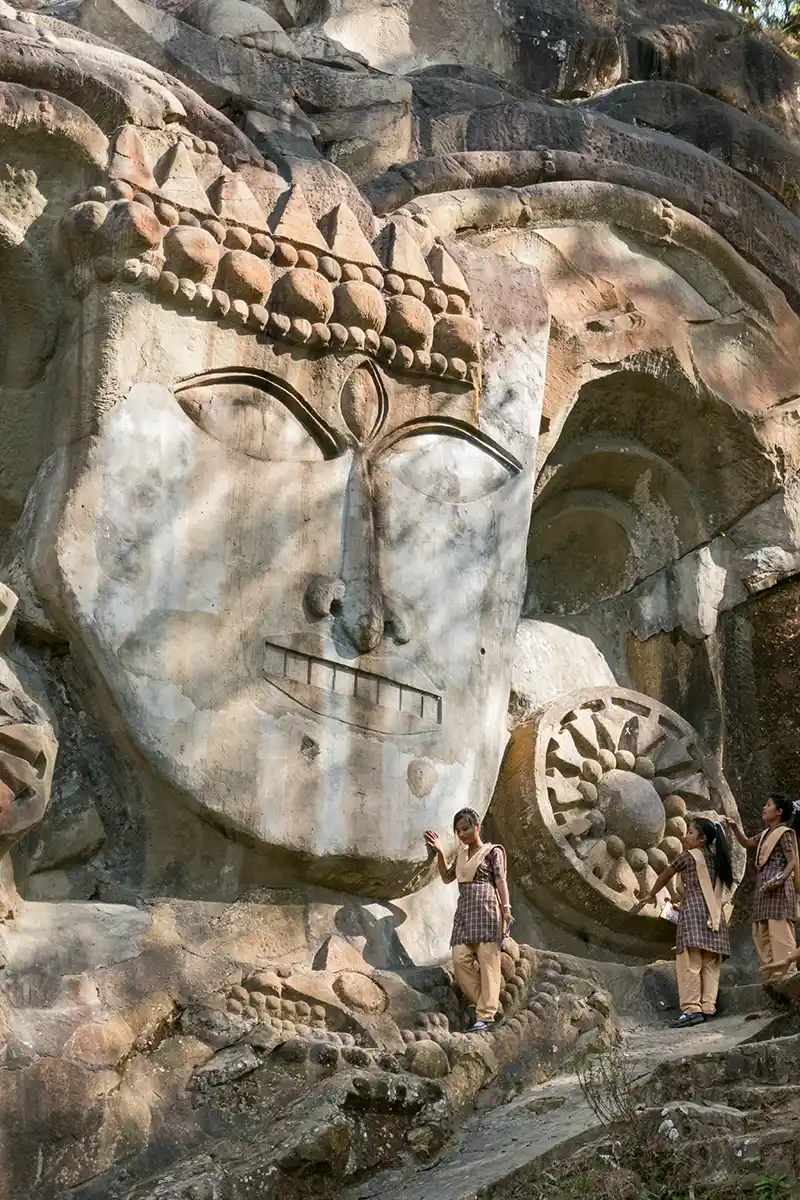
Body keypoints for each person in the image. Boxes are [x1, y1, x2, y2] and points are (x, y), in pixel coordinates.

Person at [637, 817, 733, 1028]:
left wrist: (652, 894)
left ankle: (691, 1009)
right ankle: (707, 1006)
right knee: (710, 963)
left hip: (693, 915)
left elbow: (666, 873)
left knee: (690, 963)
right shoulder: (719, 860)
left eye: (690, 832)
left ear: (702, 839)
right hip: (715, 916)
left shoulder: (688, 857)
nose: (685, 835)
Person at [425, 809, 513, 1032]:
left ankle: (486, 1016)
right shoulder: (462, 855)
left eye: (465, 828)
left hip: (487, 910)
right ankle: (492, 1008)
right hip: (465, 911)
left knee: (488, 964)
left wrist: (506, 908)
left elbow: (501, 881)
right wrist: (440, 853)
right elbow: (447, 878)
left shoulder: (493, 852)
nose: (462, 834)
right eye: (458, 831)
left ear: (477, 827)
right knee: (460, 958)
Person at [725, 793, 800, 974]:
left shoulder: (784, 833)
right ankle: (772, 973)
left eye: (768, 805)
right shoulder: (766, 833)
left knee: (779, 929)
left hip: (779, 888)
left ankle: (787, 972)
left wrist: (780, 879)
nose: (764, 808)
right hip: (763, 887)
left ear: (779, 811)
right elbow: (747, 842)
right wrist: (734, 827)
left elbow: (792, 862)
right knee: (761, 929)